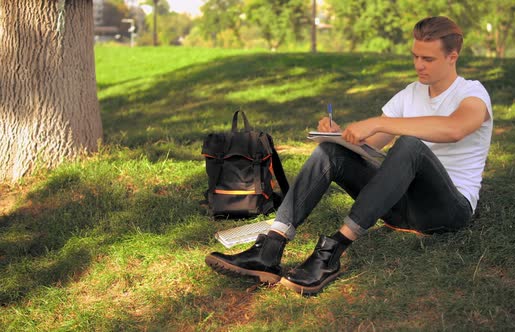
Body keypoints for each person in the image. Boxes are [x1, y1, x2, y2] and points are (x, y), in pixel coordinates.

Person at [205, 16, 493, 295]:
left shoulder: (472, 94)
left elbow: (455, 129)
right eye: (415, 56)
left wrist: (382, 122)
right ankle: (269, 248)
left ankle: (331, 253)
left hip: (447, 211)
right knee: (332, 151)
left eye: (427, 59)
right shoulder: (410, 94)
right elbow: (374, 145)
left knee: (410, 145)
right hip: (397, 208)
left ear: (452, 56)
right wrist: (340, 136)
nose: (418, 65)